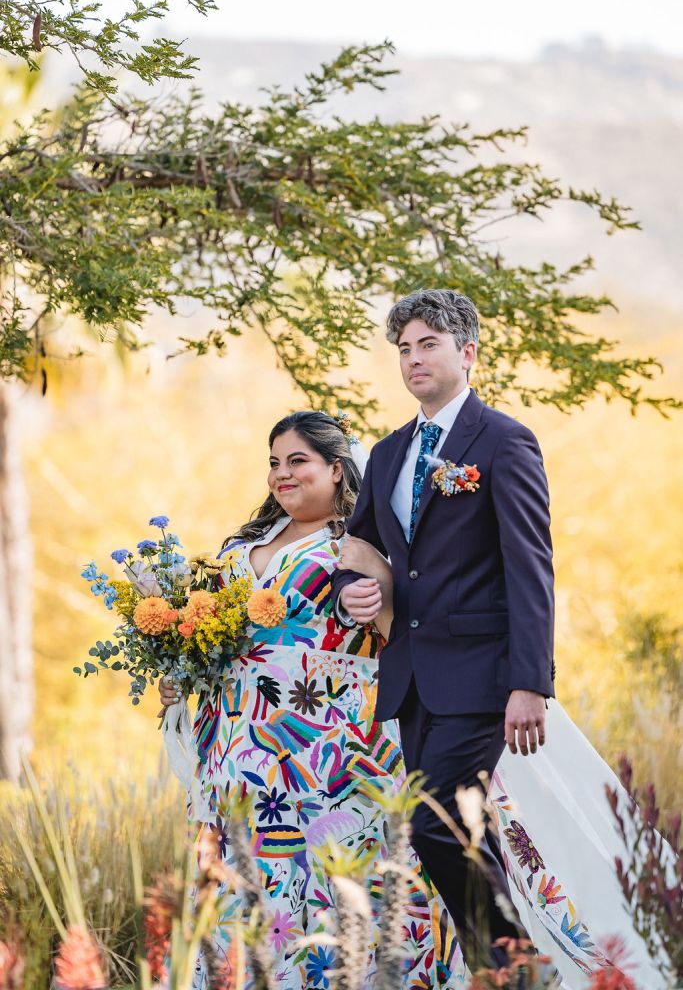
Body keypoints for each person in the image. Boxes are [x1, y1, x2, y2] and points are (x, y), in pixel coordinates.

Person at [159, 410, 468, 990]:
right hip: (237, 750)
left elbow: (402, 631)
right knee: (243, 882)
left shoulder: (359, 546)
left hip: (328, 750)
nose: (282, 473)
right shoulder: (242, 543)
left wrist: (377, 606)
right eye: (274, 462)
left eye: (298, 460)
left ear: (336, 467)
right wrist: (178, 676)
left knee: (331, 886)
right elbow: (206, 641)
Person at [332, 288, 556, 972]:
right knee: (459, 833)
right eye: (403, 348)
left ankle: (511, 966)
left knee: (436, 825)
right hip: (411, 676)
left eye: (427, 344)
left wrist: (529, 681)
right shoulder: (389, 450)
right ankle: (508, 969)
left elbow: (530, 565)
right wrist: (353, 597)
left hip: (483, 674)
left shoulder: (503, 440)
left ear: (466, 352)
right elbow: (358, 548)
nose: (412, 359)